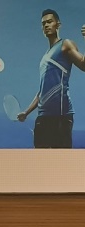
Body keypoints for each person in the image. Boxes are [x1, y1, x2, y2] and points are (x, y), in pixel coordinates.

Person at [15, 9, 85, 148]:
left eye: (49, 22)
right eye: (43, 23)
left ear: (58, 24)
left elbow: (83, 65)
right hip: (43, 117)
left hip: (61, 116)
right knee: (41, 160)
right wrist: (26, 112)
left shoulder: (65, 45)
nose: (46, 25)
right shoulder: (45, 57)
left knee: (61, 160)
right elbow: (42, 91)